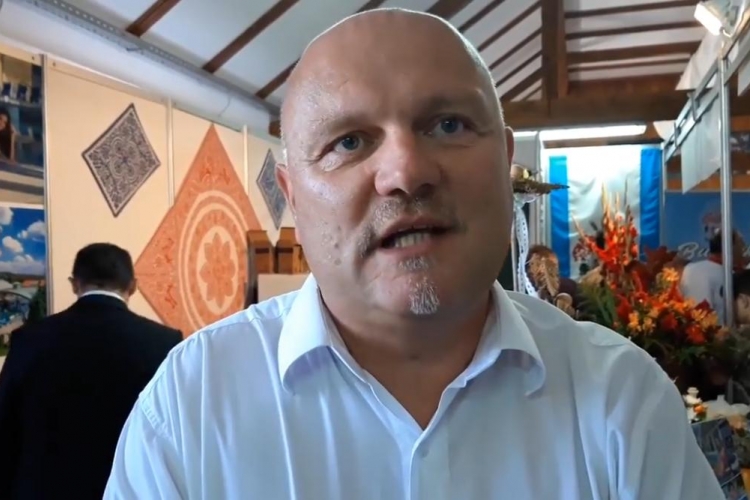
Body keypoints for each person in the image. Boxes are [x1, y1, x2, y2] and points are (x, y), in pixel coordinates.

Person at [104, 9, 723, 499]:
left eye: (448, 125)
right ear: (292, 197)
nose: (405, 172)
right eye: (349, 142)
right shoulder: (192, 409)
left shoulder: (622, 400)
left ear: (506, 163)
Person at [0, 243, 182, 499]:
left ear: (74, 284)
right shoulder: (165, 343)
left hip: (42, 489)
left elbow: (5, 428)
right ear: (133, 286)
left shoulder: (28, 339)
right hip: (131, 490)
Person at [681, 230, 744, 324]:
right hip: (710, 330)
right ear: (730, 247)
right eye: (741, 245)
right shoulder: (697, 271)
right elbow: (699, 313)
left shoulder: (734, 273)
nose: (743, 250)